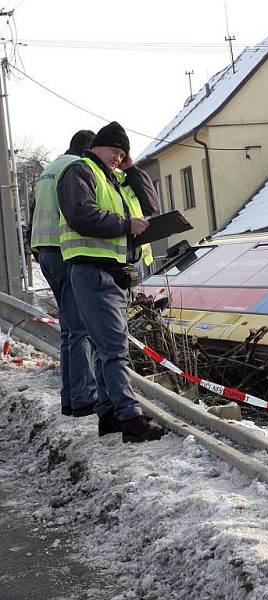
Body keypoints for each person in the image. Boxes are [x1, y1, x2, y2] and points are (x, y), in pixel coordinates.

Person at [57, 121, 166, 443]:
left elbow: (150, 208)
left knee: (108, 348)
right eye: (116, 152)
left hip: (116, 274)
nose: (119, 158)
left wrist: (132, 168)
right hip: (93, 271)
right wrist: (125, 225)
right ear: (97, 147)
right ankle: (131, 419)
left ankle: (109, 414)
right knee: (115, 349)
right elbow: (82, 215)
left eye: (124, 154)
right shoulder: (81, 171)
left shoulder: (117, 181)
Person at [31, 130, 97, 418]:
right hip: (64, 252)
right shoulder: (74, 169)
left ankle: (71, 398)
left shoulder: (48, 170)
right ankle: (83, 398)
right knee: (80, 328)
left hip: (45, 252)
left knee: (69, 329)